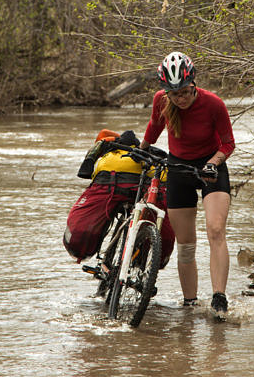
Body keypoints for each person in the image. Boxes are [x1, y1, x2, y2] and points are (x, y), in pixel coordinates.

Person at [139, 51, 235, 319]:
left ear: (193, 84)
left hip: (210, 168)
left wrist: (214, 162)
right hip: (178, 168)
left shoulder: (214, 104)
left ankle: (219, 298)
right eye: (173, 93)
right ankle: (190, 304)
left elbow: (228, 143)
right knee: (186, 244)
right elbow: (153, 128)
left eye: (184, 92)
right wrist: (139, 151)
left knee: (215, 229)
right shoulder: (161, 101)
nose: (179, 98)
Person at [64, 129, 175, 295]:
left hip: (111, 185)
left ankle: (106, 265)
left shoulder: (108, 151)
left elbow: (89, 172)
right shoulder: (156, 157)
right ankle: (139, 262)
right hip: (143, 188)